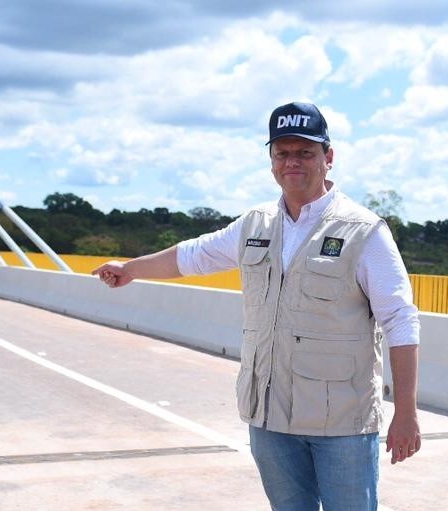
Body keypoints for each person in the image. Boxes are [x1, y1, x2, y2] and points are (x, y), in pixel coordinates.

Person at [92, 102, 420, 510]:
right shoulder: (255, 225)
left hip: (342, 424)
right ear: (271, 161)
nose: (292, 162)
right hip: (269, 420)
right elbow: (195, 256)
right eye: (282, 153)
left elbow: (400, 321)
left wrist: (405, 413)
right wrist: (131, 269)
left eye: (305, 152)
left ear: (328, 158)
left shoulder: (363, 232)